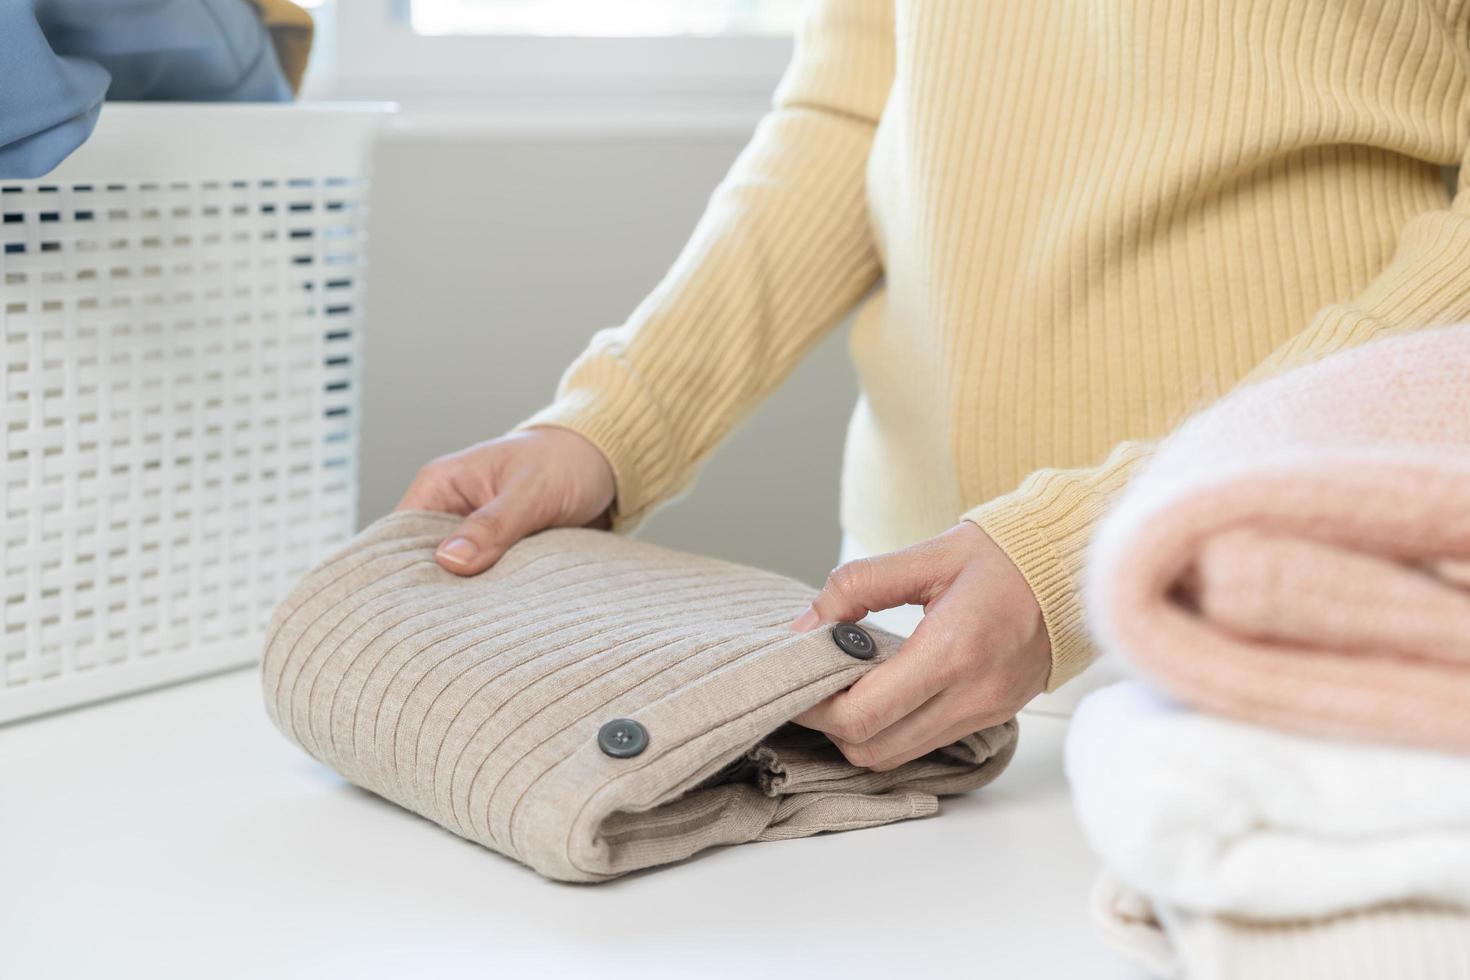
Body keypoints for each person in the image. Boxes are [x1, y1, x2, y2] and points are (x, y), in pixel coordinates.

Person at [398, 1, 1470, 773]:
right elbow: (852, 110)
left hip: (1294, 611)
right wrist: (611, 425)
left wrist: (1082, 540)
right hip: (914, 635)